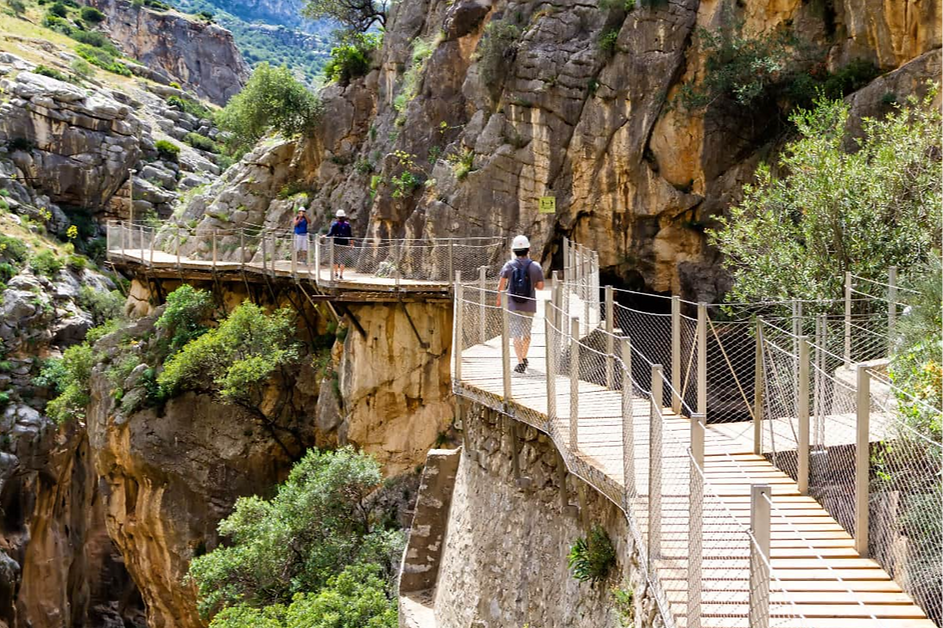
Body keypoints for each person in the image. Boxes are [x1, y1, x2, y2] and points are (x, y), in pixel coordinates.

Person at [497, 235, 545, 373]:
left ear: (514, 250)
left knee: (516, 335)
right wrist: (532, 283)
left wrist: (499, 299)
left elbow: (501, 285)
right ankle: (524, 357)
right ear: (528, 249)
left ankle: (519, 362)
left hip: (513, 305)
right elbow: (541, 286)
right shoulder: (535, 266)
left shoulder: (508, 265)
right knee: (527, 334)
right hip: (529, 305)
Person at [327, 209, 353, 280]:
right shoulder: (347, 225)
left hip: (336, 243)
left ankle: (336, 273)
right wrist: (351, 244)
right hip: (344, 244)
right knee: (342, 259)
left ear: (337, 217)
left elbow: (331, 233)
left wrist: (325, 236)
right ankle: (341, 275)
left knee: (335, 259)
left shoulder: (335, 224)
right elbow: (350, 235)